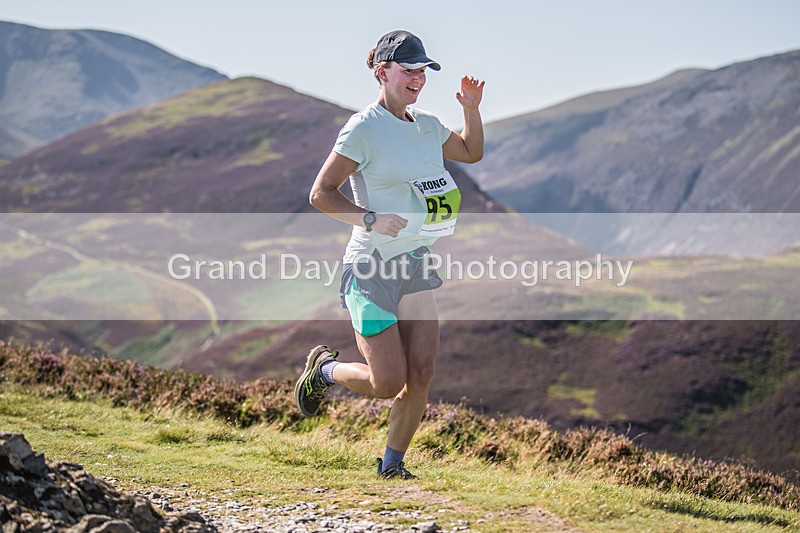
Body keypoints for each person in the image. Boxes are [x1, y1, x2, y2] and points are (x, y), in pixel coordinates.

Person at [294, 30, 485, 479]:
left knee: (422, 371)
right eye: (408, 70)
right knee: (387, 383)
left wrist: (471, 110)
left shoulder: (428, 126)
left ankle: (391, 466)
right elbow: (321, 193)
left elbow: (471, 152)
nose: (417, 78)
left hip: (413, 263)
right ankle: (325, 371)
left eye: (423, 71)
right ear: (382, 72)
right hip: (370, 269)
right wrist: (370, 219)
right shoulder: (364, 128)